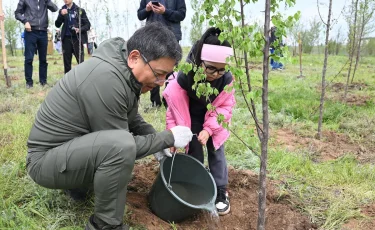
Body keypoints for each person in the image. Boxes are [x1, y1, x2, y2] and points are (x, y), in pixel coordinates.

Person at [26, 22, 193, 230]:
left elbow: (131, 118)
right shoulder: (107, 79)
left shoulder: (122, 68)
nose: (161, 82)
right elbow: (123, 146)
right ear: (134, 58)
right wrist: (167, 138)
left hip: (67, 150)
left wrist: (157, 143)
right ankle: (105, 225)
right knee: (120, 147)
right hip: (44, 162)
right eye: (158, 74)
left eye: (166, 76)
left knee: (117, 146)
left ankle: (77, 187)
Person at [162, 27, 236, 216]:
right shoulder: (185, 77)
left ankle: (220, 190)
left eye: (222, 69)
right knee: (193, 148)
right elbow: (174, 108)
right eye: (211, 68)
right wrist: (173, 135)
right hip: (190, 116)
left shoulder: (226, 80)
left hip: (214, 118)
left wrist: (210, 129)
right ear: (199, 61)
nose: (216, 74)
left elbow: (224, 108)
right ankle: (196, 184)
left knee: (216, 150)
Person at [137, 0, 186, 108]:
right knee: (152, 68)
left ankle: (169, 101)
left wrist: (165, 11)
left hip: (172, 36)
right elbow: (140, 15)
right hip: (152, 36)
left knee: (171, 70)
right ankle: (155, 102)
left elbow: (181, 15)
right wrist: (147, 9)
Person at [15, 0, 58, 88]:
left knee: (43, 59)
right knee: (29, 58)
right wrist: (25, 21)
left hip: (43, 31)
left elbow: (54, 8)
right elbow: (17, 13)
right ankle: (29, 83)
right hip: (30, 32)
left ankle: (43, 82)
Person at [55, 0, 91, 74]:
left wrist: (79, 29)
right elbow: (57, 24)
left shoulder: (80, 11)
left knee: (80, 61)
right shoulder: (62, 10)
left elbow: (87, 25)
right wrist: (61, 15)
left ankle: (82, 79)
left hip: (77, 39)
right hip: (66, 39)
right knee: (67, 63)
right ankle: (67, 82)